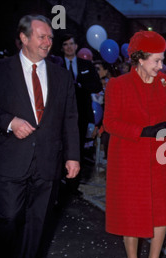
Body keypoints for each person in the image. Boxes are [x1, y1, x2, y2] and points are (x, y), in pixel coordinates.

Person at [0, 15, 80, 258]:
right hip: (10, 161)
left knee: (39, 223)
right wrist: (9, 122)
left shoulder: (60, 74)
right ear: (23, 37)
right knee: (8, 219)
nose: (48, 43)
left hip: (48, 162)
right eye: (42, 37)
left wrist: (73, 156)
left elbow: (70, 117)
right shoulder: (1, 70)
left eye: (50, 38)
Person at [103, 30, 166, 258]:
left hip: (160, 155)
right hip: (129, 157)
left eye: (162, 60)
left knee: (162, 212)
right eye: (156, 61)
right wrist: (142, 131)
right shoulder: (118, 84)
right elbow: (110, 123)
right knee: (133, 213)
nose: (161, 66)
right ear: (139, 58)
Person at [61, 34, 102, 193]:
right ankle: (60, 182)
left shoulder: (86, 64)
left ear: (76, 46)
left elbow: (97, 86)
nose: (69, 47)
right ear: (62, 47)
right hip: (60, 114)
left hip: (81, 115)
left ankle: (73, 185)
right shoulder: (56, 64)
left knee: (76, 149)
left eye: (71, 44)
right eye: (65, 44)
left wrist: (79, 85)